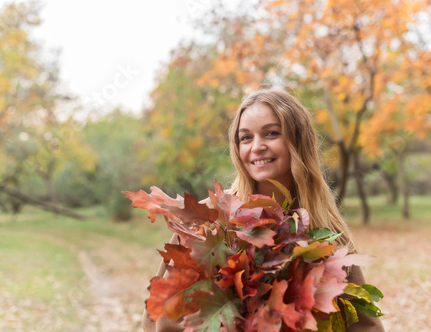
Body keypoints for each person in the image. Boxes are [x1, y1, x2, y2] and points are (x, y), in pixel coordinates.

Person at [142, 89, 385, 331]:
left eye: (271, 133)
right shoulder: (208, 221)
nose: (257, 147)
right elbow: (162, 319)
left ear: (297, 142)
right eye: (246, 137)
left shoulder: (324, 232)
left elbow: (365, 327)